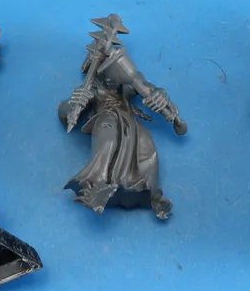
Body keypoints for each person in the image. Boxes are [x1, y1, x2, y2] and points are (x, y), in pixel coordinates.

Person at [60, 26, 184, 218]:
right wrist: (72, 104)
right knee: (108, 140)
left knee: (146, 147)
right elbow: (65, 112)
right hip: (105, 117)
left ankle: (149, 193)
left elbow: (149, 88)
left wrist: (161, 96)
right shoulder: (91, 89)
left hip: (129, 123)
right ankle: (97, 184)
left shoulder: (128, 82)